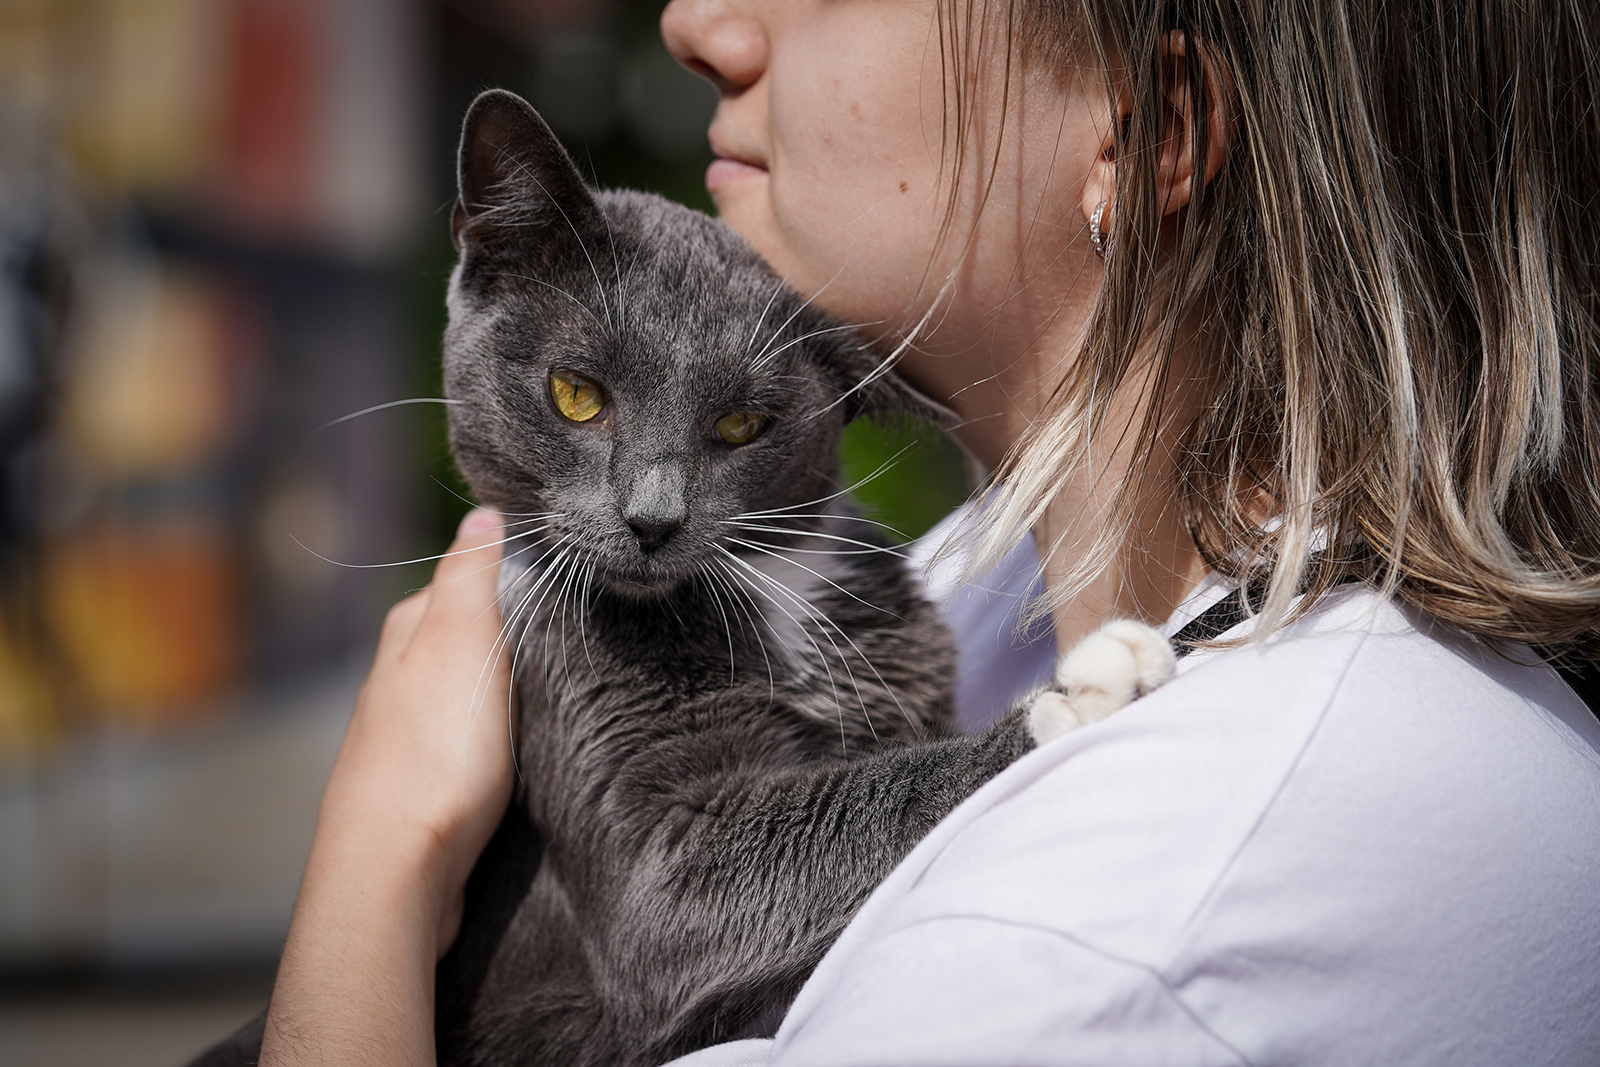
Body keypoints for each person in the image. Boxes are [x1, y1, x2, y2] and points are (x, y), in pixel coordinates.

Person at [258, 0, 1600, 1063]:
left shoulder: (1113, 938)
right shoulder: (994, 583)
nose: (696, 21)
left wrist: (371, 875)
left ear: (1149, 135)